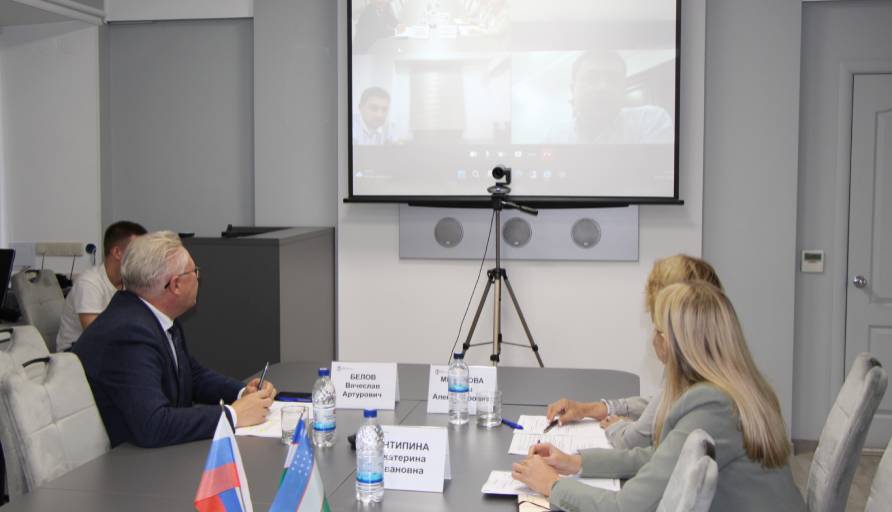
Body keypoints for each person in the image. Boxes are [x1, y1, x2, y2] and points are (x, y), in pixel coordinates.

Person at [512, 281, 806, 511]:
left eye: (657, 330)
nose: (653, 339)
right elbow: (657, 458)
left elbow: (627, 508)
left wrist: (553, 485)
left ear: (673, 343)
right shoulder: (734, 390)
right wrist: (574, 463)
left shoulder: (712, 406)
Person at [73, 231, 276, 448]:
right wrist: (233, 415)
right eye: (194, 272)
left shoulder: (155, 314)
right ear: (175, 285)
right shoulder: (128, 333)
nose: (198, 278)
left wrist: (242, 392)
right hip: (125, 461)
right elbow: (154, 425)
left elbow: (191, 375)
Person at [546, 254, 723, 449]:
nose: (655, 337)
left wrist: (619, 427)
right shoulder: (708, 360)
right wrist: (594, 409)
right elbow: (658, 404)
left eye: (658, 328)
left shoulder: (694, 378)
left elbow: (635, 439)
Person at [56, 221, 147, 351]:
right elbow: (96, 336)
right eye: (139, 251)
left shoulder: (129, 282)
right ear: (117, 252)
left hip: (106, 349)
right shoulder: (88, 283)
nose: (144, 257)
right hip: (75, 352)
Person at [547, 50, 673, 144]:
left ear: (623, 89)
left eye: (613, 79)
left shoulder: (650, 121)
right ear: (573, 89)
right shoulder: (554, 137)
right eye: (591, 78)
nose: (603, 87)